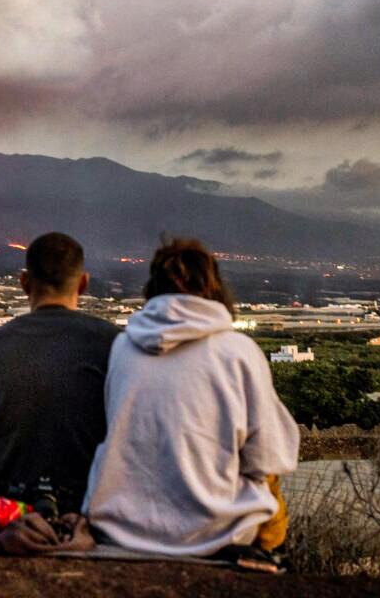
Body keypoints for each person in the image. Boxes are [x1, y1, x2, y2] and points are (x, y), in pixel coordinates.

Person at [84, 238, 299, 557]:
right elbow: (270, 455)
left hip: (120, 529)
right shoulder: (238, 352)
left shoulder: (123, 348)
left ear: (153, 289)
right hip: (217, 534)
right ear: (213, 286)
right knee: (270, 497)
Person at [0, 232, 120, 515]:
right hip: (88, 508)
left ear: (24, 281)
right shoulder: (112, 344)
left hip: (4, 511)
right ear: (83, 283)